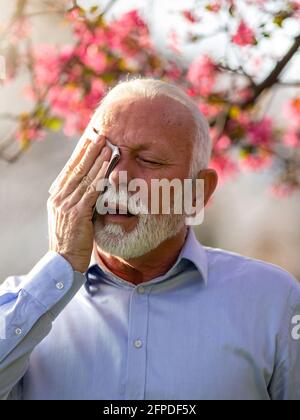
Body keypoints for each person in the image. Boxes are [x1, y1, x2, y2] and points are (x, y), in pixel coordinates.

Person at [0, 78, 299, 400]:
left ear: (197, 193)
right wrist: (60, 262)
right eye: (105, 156)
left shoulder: (273, 300)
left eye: (150, 161)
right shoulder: (23, 307)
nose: (117, 176)